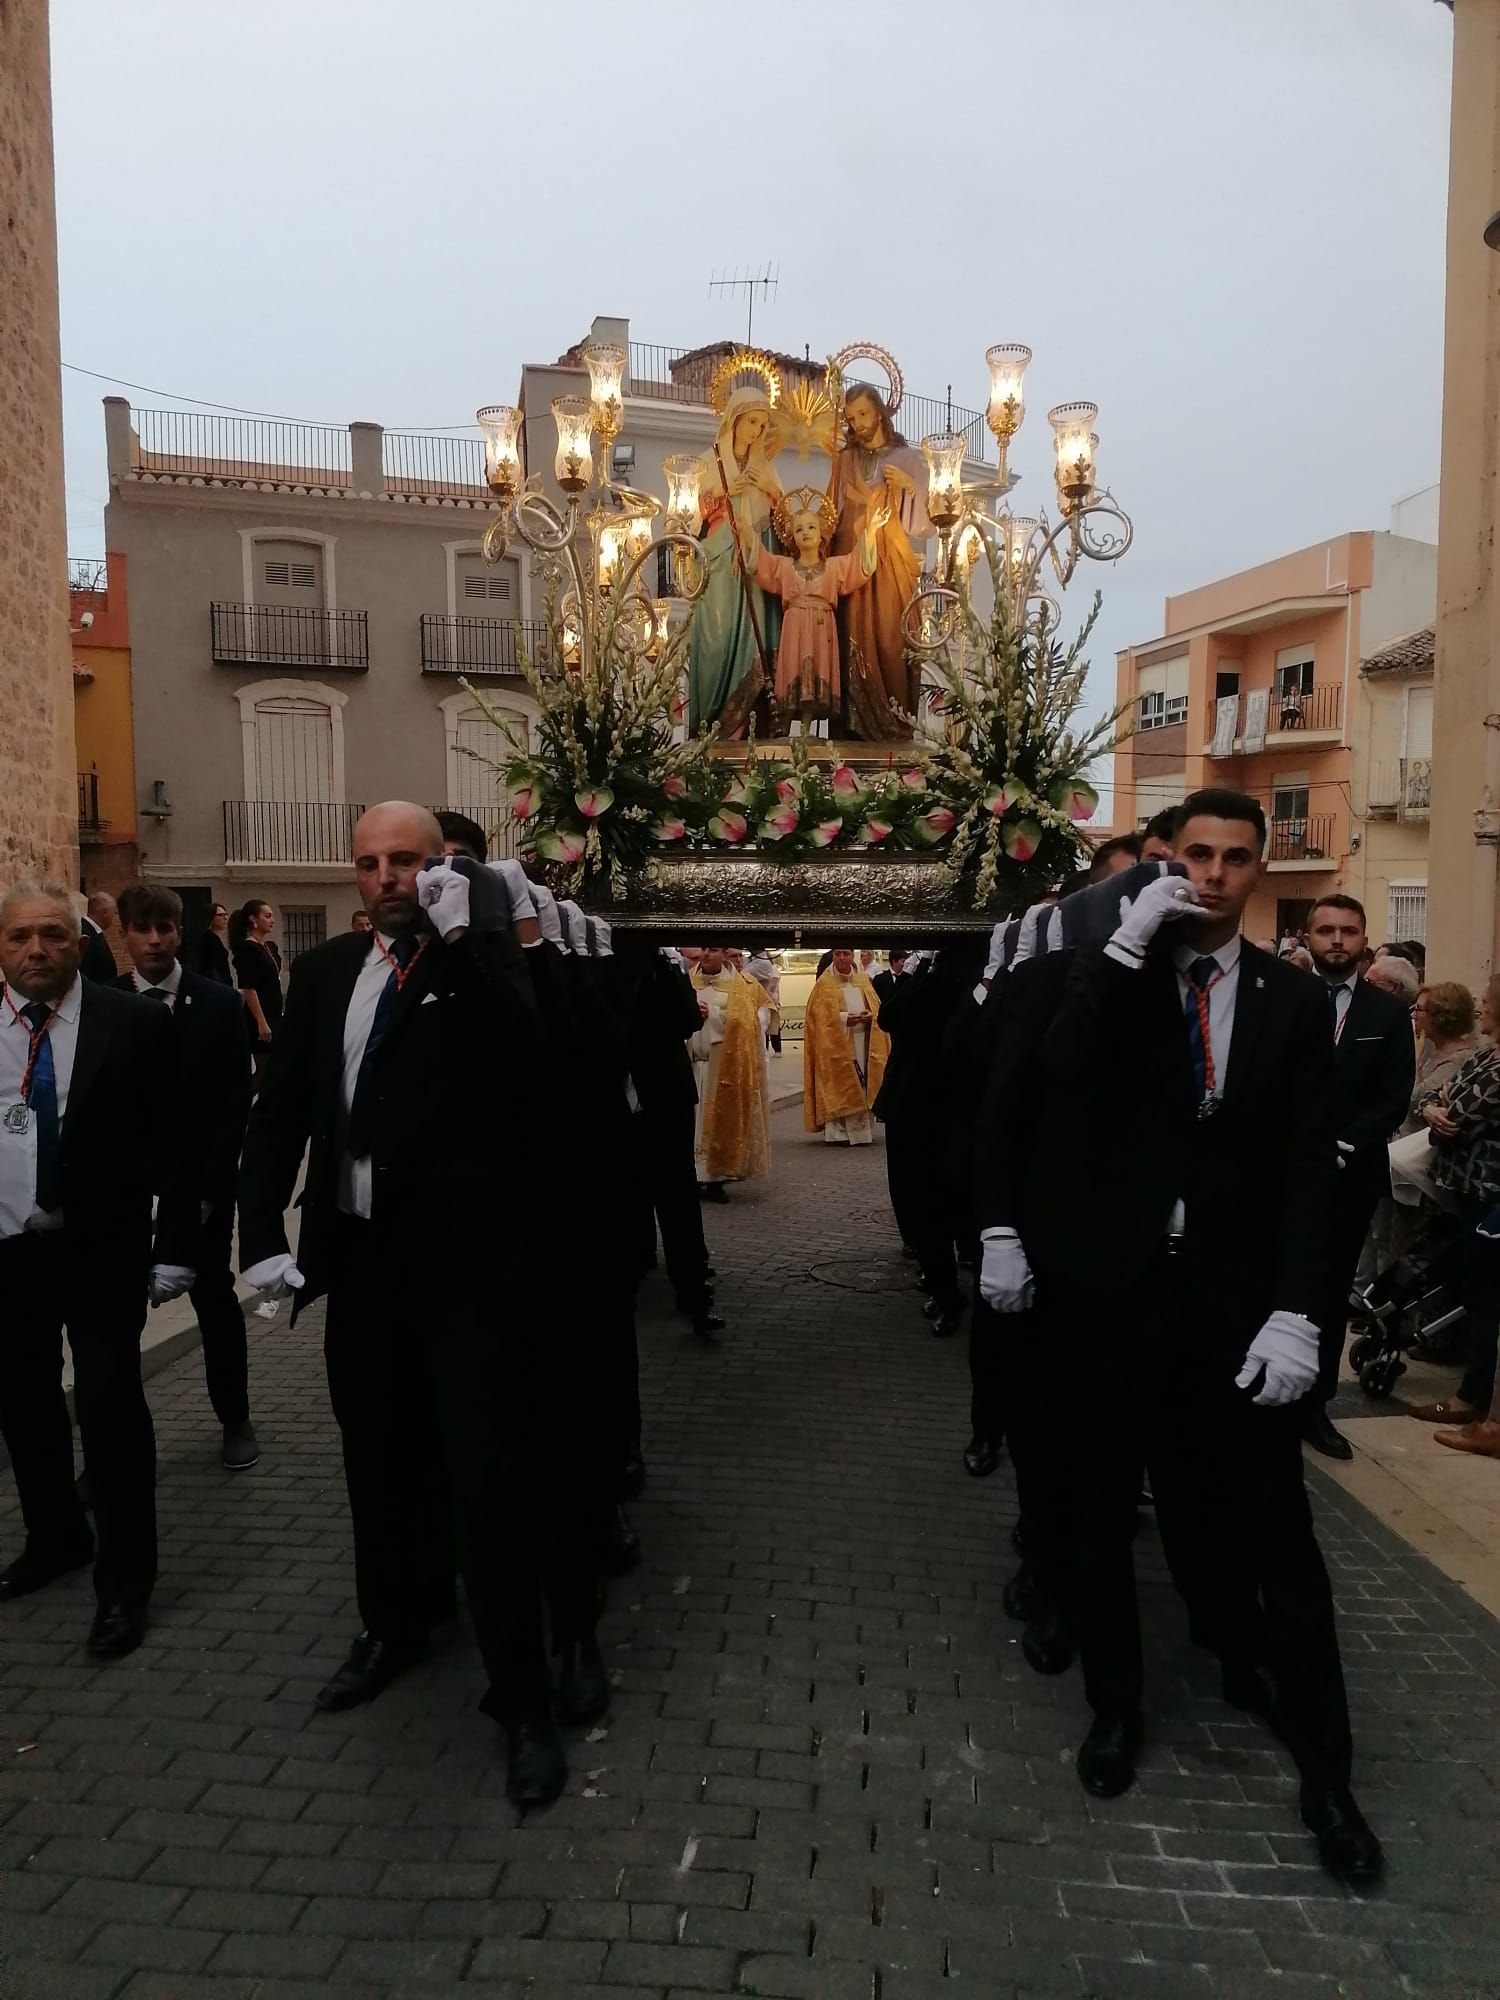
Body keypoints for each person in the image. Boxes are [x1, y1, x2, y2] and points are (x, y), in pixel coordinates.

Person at [975, 788, 1380, 1884]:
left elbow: (1307, 1165)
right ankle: (1115, 1707)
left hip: (1235, 1310)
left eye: (1234, 857)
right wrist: (1122, 950)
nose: (1210, 874)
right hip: (1111, 1297)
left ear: (1258, 870)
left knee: (1278, 1536)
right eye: (1192, 854)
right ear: (1165, 859)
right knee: (1102, 1517)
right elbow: (1051, 1083)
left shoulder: (1293, 1003)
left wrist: (1302, 1306)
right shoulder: (1098, 972)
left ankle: (1328, 1769)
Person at [236, 803, 602, 1806]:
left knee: (485, 1479)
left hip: (469, 1274)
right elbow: (281, 1115)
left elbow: (530, 1060)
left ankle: (520, 1694)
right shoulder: (320, 979)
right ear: (352, 874)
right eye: (370, 862)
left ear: (437, 867)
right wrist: (261, 1231)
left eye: (407, 860)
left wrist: (467, 937)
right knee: (376, 1459)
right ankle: (391, 1622)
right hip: (359, 1265)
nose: (388, 876)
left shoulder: (471, 964)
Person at [0, 882, 195, 1659]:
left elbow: (177, 1141)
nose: (36, 950)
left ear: (80, 945)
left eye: (52, 934)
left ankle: (125, 1583)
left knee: (112, 1412)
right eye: (19, 938)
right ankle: (55, 1541)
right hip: (9, 1252)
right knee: (24, 1407)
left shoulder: (134, 1022)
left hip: (101, 1249)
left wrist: (177, 1242)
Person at [114, 884, 259, 1470]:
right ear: (123, 933)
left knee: (215, 1303)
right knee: (114, 1325)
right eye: (143, 928)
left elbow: (232, 1105)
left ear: (180, 932)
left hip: (201, 1189)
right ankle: (114, 1445)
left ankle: (236, 1417)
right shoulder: (103, 1004)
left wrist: (203, 1193)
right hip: (125, 1194)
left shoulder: (218, 1004)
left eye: (166, 928)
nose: (155, 939)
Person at [1301, 894, 1414, 1460]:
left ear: (1364, 937)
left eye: (1348, 930)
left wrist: (1344, 1144)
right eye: (1326, 930)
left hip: (1348, 1176)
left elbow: (1393, 1098)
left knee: (1327, 1294)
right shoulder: (1279, 1000)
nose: (1337, 940)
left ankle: (1313, 1405)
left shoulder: (1387, 1015)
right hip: (1278, 1174)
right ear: (1308, 936)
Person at [1410, 981, 1500, 1430]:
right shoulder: (1487, 1056)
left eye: (1488, 1001)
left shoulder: (1496, 1067)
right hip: (1465, 1190)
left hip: (1489, 1195)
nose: (1481, 1007)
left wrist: (1441, 1108)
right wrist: (1433, 1108)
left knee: (1486, 1300)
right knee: (1472, 1287)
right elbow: (1433, 1098)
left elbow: (1459, 1112)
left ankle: (1473, 1399)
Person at [741, 487, 888, 729]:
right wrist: (747, 535)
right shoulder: (785, 567)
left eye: (811, 527)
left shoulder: (833, 567)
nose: (805, 533)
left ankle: (807, 731)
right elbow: (762, 562)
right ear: (792, 537)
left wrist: (870, 531)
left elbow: (858, 564)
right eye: (799, 529)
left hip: (822, 628)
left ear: (822, 533)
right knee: (792, 673)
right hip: (795, 626)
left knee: (816, 677)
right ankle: (784, 728)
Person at [830, 383, 929, 737]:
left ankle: (893, 725)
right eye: (852, 416)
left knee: (890, 637)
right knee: (850, 636)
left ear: (880, 412)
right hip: (851, 559)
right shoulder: (844, 460)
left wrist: (910, 487)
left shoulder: (907, 459)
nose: (857, 423)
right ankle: (851, 730)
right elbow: (830, 512)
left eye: (863, 414)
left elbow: (925, 524)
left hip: (890, 561)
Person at [687, 388, 784, 738]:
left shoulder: (766, 467)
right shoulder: (708, 462)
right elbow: (688, 516)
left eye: (761, 424)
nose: (756, 430)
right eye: (751, 422)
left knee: (756, 640)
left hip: (756, 561)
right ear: (734, 420)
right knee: (718, 637)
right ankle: (714, 723)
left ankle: (752, 727)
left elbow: (784, 519)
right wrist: (723, 496)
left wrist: (770, 491)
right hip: (720, 557)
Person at [689, 946, 771, 1200]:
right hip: (691, 1063)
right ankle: (691, 1176)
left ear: (724, 954)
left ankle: (716, 1178)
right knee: (691, 1123)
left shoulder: (740, 985)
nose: (705, 955)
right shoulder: (685, 979)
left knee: (716, 1122)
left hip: (722, 1064)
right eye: (702, 950)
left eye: (712, 950)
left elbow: (749, 1022)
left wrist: (710, 1014)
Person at [803, 946, 889, 1145]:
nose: (842, 958)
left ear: (853, 956)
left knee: (863, 1083)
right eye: (838, 954)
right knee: (839, 1083)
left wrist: (870, 1017)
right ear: (832, 956)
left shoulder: (863, 980)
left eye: (846, 954)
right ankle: (838, 1133)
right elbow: (818, 1019)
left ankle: (861, 1133)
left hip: (862, 1041)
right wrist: (843, 1019)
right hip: (836, 1044)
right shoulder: (824, 984)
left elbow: (876, 1009)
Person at [230, 900, 282, 1068]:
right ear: (253, 920)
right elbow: (249, 988)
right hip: (259, 1015)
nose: (272, 920)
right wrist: (261, 1021)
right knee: (264, 1067)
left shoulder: (267, 947)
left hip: (274, 1012)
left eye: (272, 916)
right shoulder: (248, 950)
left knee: (273, 1066)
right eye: (267, 916)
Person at [78, 890, 119, 983]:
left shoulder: (94, 932)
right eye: (114, 913)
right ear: (105, 912)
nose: (113, 917)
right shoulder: (84, 932)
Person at [196, 903, 234, 986]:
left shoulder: (214, 937)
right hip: (218, 985)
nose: (225, 918)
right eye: (220, 915)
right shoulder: (209, 939)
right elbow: (211, 967)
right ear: (211, 918)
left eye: (226, 914)